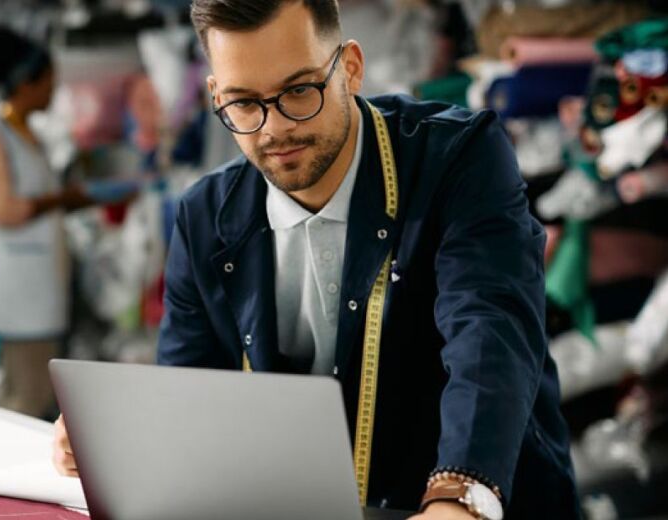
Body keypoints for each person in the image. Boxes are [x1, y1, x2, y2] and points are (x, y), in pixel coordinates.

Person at [53, 1, 580, 517]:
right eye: (243, 103)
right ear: (215, 94)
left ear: (350, 67)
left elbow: (489, 329)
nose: (273, 128)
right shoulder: (205, 218)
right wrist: (122, 432)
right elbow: (194, 390)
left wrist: (461, 496)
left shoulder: (458, 157)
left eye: (299, 90)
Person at [0, 27, 92, 418]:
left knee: (37, 396)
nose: (53, 92)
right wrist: (62, 199)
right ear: (24, 81)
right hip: (14, 295)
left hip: (37, 290)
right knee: (23, 400)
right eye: (48, 82)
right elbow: (3, 210)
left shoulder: (28, 136)